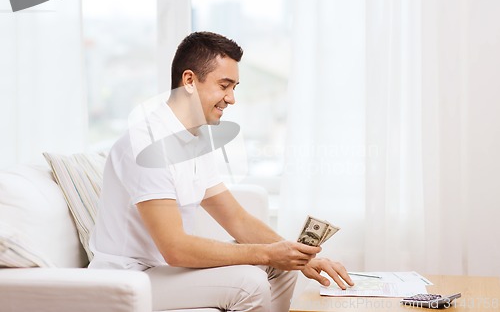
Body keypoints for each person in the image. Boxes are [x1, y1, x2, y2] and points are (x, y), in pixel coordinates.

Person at [89, 31, 354, 312]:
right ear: (189, 80)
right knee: (249, 280)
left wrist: (299, 257)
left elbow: (236, 219)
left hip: (161, 272)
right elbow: (175, 248)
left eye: (234, 87)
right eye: (224, 86)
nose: (231, 99)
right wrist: (267, 253)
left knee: (282, 268)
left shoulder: (193, 140)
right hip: (130, 280)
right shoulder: (147, 143)